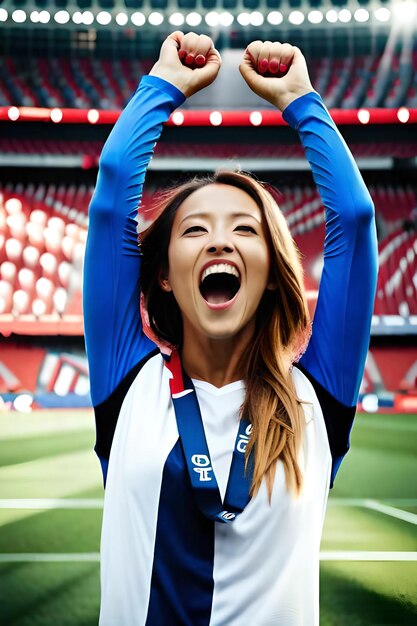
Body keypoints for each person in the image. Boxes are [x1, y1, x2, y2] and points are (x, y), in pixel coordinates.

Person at [84, 31, 378, 626]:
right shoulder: (126, 384)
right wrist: (162, 86)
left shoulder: (316, 401)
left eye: (246, 230)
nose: (219, 238)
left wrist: (301, 98)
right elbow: (114, 192)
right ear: (163, 275)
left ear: (273, 273)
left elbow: (354, 217)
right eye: (194, 231)